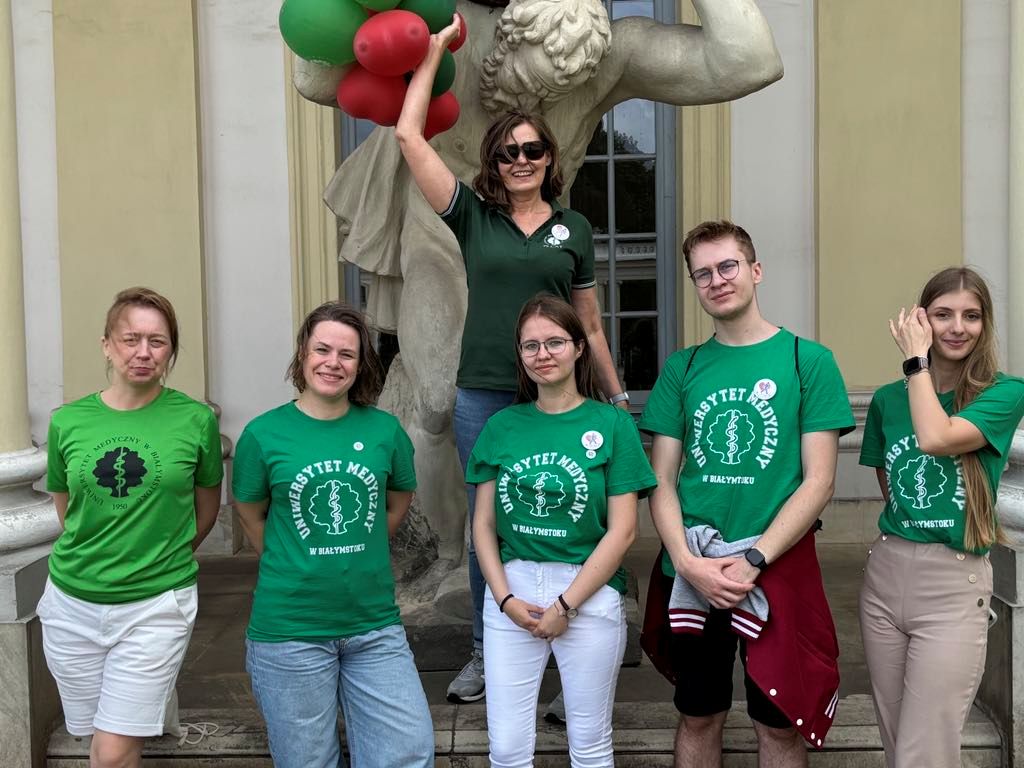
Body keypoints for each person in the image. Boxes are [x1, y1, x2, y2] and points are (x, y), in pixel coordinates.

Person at [394, 16, 630, 704]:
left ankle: (571, 651)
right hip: (487, 393)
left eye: (532, 150)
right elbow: (409, 136)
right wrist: (432, 54)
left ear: (549, 159)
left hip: (561, 395)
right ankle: (485, 648)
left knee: (572, 516)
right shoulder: (474, 217)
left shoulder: (573, 228)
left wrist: (617, 398)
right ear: (493, 163)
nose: (520, 160)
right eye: (507, 152)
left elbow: (590, 323)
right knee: (489, 528)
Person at [640, 221, 855, 768]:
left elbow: (820, 481)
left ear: (755, 270)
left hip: (775, 566)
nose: (716, 280)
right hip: (695, 568)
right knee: (697, 715)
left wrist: (755, 558)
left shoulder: (808, 361)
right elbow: (661, 479)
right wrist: (688, 563)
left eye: (727, 266)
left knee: (778, 723)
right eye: (703, 274)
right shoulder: (683, 367)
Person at [233, 302, 433, 768]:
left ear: (360, 365)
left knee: (407, 753)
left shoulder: (384, 430)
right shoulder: (263, 435)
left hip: (373, 627)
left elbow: (398, 499)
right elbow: (249, 514)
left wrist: (361, 546)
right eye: (322, 349)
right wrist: (295, 558)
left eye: (347, 354)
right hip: (289, 632)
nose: (333, 362)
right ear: (303, 354)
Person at [37, 287, 223, 768]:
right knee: (96, 738)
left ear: (171, 351)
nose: (143, 352)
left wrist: (159, 555)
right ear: (106, 345)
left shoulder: (195, 420)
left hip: (156, 604)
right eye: (130, 339)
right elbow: (68, 511)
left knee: (115, 750)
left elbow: (206, 508)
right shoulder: (68, 422)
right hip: (71, 604)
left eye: (157, 342)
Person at [467, 295, 656, 767]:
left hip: (587, 593)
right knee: (507, 748)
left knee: (590, 745)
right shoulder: (501, 426)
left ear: (578, 347)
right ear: (520, 354)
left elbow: (623, 531)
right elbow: (483, 525)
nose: (542, 354)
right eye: (530, 345)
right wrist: (504, 600)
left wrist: (566, 604)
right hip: (512, 593)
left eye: (554, 342)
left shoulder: (612, 424)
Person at [858, 267, 1024, 768]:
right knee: (898, 746)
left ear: (985, 324)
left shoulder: (1004, 393)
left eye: (971, 316)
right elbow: (893, 489)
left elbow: (936, 438)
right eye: (943, 314)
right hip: (885, 576)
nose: (957, 327)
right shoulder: (887, 401)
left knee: (924, 753)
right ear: (921, 319)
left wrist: (916, 363)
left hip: (953, 583)